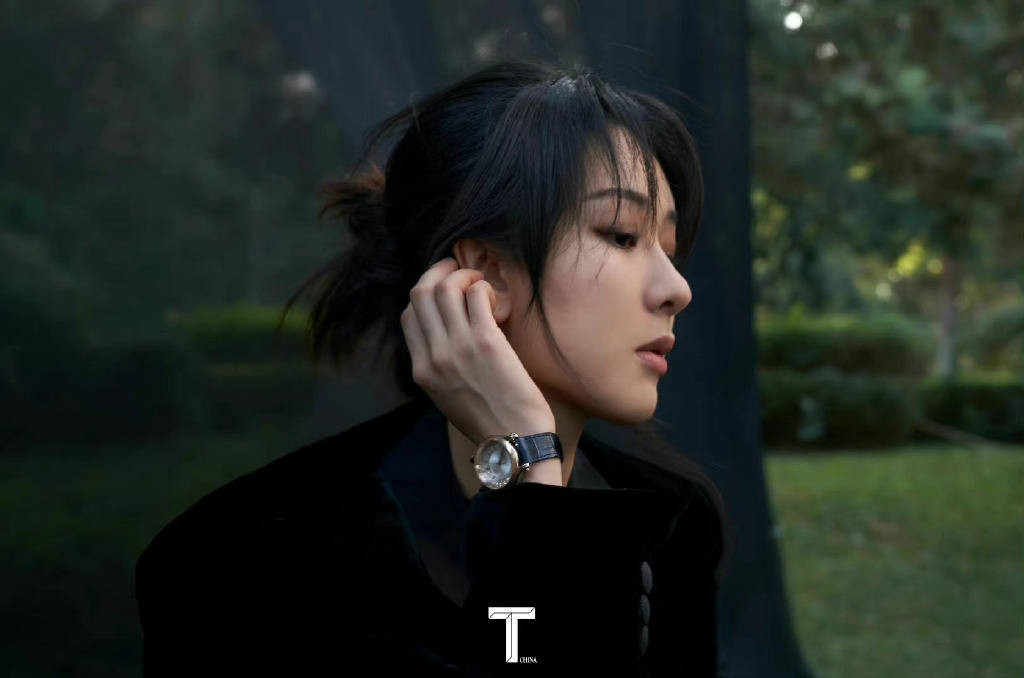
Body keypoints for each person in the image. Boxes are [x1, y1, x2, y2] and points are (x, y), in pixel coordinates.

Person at [134, 58, 731, 676]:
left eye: (669, 250)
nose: (676, 289)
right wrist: (530, 466)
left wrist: (530, 479)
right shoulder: (248, 553)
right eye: (623, 235)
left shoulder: (676, 525)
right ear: (487, 271)